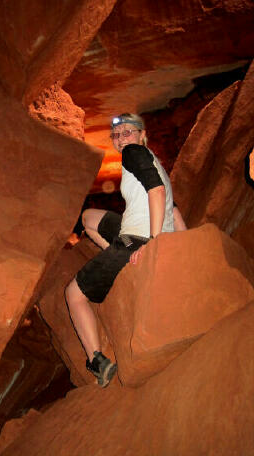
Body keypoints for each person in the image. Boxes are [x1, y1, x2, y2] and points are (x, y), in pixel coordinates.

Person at [65, 113, 178, 388]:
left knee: (73, 294)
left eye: (128, 131)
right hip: (137, 232)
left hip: (139, 239)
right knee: (88, 218)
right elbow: (173, 209)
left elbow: (158, 192)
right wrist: (182, 240)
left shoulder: (133, 153)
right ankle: (115, 260)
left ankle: (97, 362)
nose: (121, 138)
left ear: (142, 134)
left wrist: (155, 243)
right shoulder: (151, 157)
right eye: (116, 134)